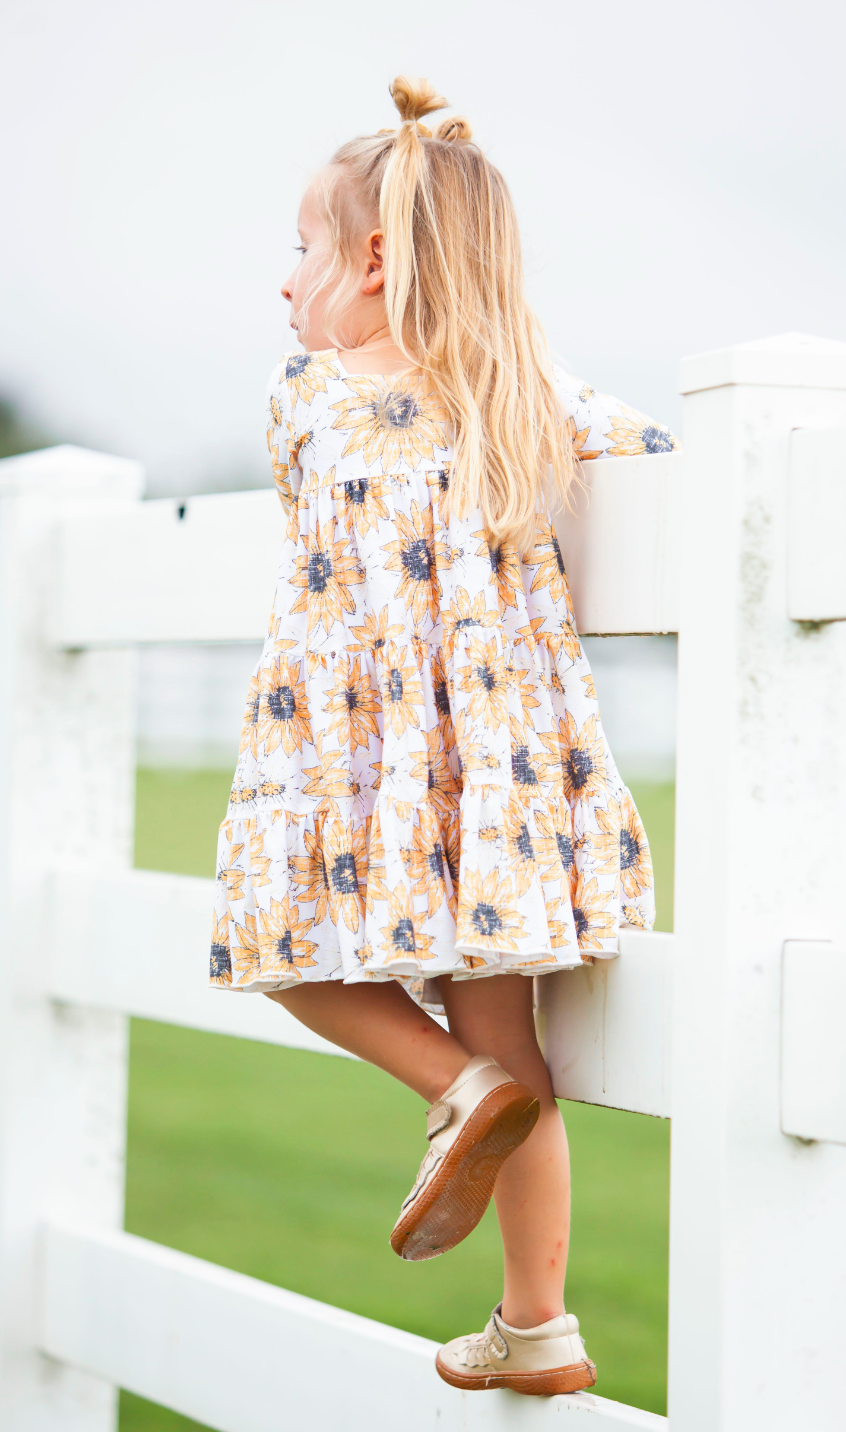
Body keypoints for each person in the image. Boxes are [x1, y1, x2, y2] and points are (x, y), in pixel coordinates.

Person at [209, 75, 675, 1396]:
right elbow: (659, 454)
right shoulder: (529, 393)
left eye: (300, 248)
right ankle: (539, 1325)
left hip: (358, 771)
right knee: (510, 1036)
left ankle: (447, 1087)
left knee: (286, 954)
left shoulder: (305, 394)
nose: (283, 283)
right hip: (504, 772)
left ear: (370, 259)